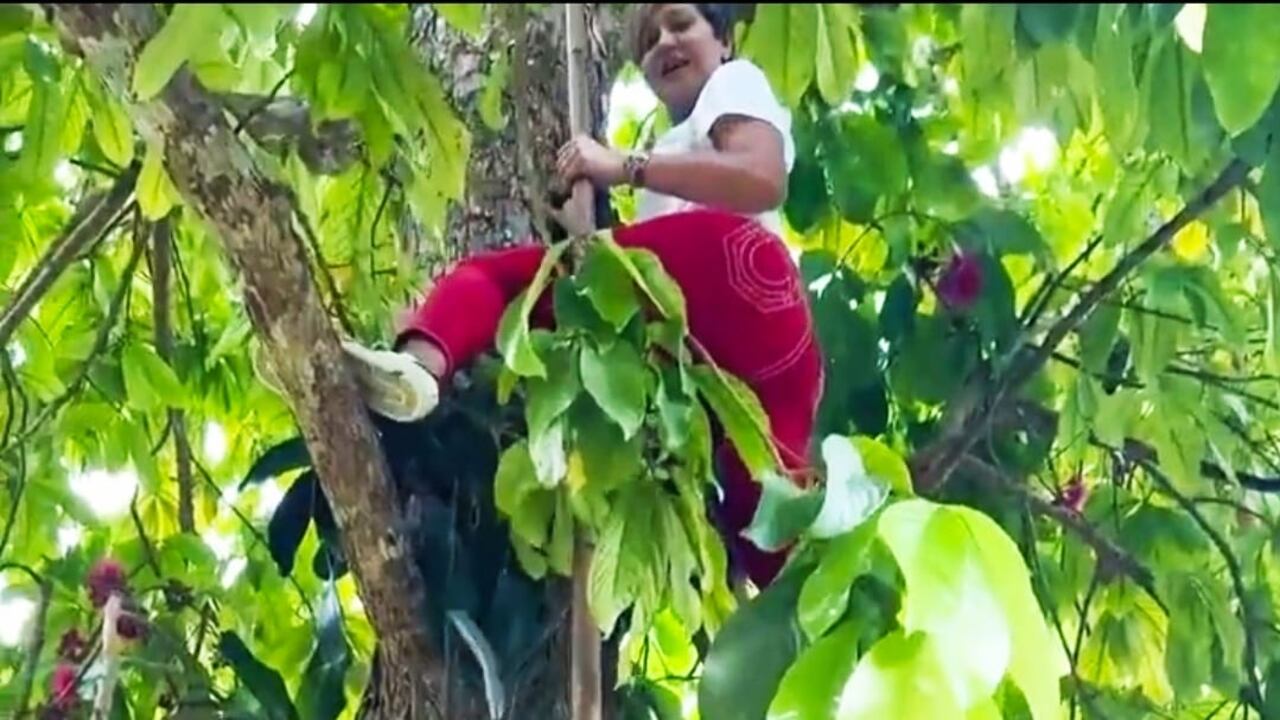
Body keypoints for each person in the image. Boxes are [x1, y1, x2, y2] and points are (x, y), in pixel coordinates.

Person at [338, 3, 823, 588]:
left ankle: (420, 363)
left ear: (725, 39)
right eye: (646, 41)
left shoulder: (733, 81)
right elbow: (637, 293)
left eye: (679, 24)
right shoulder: (676, 150)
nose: (662, 44)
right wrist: (589, 235)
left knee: (498, 279)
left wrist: (623, 165)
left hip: (738, 274)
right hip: (750, 365)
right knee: (770, 539)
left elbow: (761, 177)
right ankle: (842, 615)